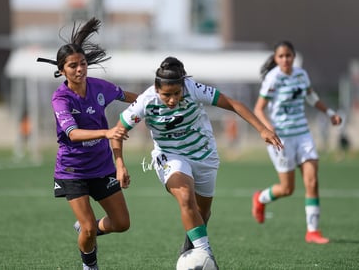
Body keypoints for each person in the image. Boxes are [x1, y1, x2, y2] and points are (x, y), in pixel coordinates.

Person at [111, 56, 283, 267]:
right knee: (185, 196)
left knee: (203, 212)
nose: (172, 99)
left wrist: (262, 129)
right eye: (167, 95)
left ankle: (190, 246)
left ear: (183, 86)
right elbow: (117, 131)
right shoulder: (146, 101)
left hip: (204, 154)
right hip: (170, 155)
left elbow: (233, 104)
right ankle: (207, 256)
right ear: (157, 89)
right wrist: (120, 164)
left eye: (177, 93)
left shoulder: (194, 89)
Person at [37, 17, 137, 270]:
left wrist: (153, 103)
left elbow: (132, 98)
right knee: (90, 228)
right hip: (73, 171)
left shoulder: (99, 87)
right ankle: (89, 266)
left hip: (102, 167)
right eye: (73, 66)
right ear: (62, 70)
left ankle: (85, 229)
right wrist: (107, 133)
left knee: (122, 223)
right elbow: (72, 133)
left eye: (82, 63)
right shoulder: (61, 98)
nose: (80, 69)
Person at [252, 40, 342, 244]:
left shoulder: (301, 75)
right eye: (281, 56)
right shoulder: (273, 79)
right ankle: (260, 198)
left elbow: (311, 98)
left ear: (294, 56)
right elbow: (259, 108)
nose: (285, 59)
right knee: (287, 189)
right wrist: (267, 128)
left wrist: (329, 113)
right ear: (276, 59)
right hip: (281, 139)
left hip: (303, 135)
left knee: (312, 181)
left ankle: (312, 231)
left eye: (288, 55)